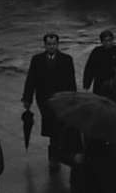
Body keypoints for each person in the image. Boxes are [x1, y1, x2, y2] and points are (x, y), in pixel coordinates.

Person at [22, 33, 77, 172]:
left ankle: (56, 155)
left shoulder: (66, 59)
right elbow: (31, 79)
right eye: (49, 44)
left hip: (61, 99)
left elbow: (71, 81)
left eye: (54, 44)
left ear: (58, 44)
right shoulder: (37, 60)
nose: (51, 46)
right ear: (45, 45)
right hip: (44, 100)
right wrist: (27, 98)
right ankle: (54, 155)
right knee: (51, 128)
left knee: (59, 128)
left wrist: (72, 99)